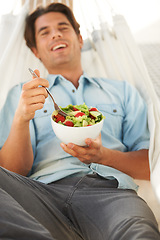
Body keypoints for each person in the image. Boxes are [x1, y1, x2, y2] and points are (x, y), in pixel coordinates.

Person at [0, 3, 159, 240]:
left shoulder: (123, 91)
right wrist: (22, 119)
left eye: (63, 27)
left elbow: (149, 164)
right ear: (36, 51)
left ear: (80, 39)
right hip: (40, 196)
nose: (55, 34)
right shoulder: (21, 95)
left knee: (140, 234)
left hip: (111, 196)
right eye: (45, 32)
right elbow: (12, 171)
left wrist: (104, 156)